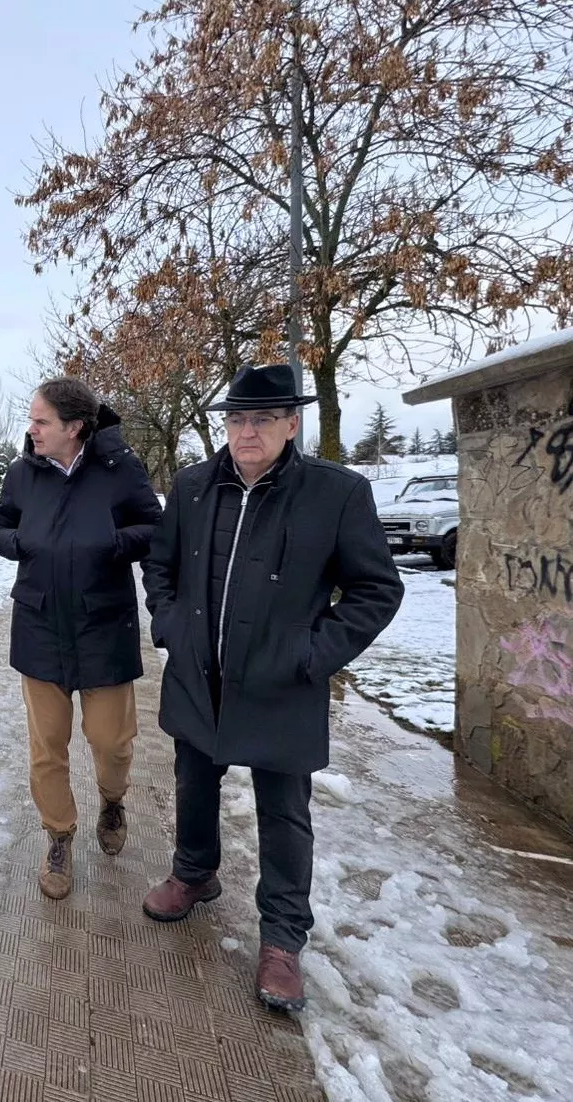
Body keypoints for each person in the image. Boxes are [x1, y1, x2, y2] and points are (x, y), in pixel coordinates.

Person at [141, 364, 403, 1011]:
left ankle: (282, 938)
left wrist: (314, 655)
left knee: (283, 814)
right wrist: (172, 624)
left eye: (261, 419)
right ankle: (195, 874)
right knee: (193, 783)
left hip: (283, 687)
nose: (246, 432)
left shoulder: (334, 494)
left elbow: (377, 589)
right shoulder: (196, 486)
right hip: (201, 679)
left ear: (292, 423)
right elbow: (160, 564)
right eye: (236, 419)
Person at [0, 377, 162, 901]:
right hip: (40, 624)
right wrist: (16, 541)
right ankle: (59, 836)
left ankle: (113, 799)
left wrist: (111, 542)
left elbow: (154, 527)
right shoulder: (22, 473)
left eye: (41, 421)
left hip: (103, 625)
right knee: (47, 748)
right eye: (33, 420)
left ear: (74, 426)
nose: (32, 429)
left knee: (111, 740)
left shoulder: (120, 469)